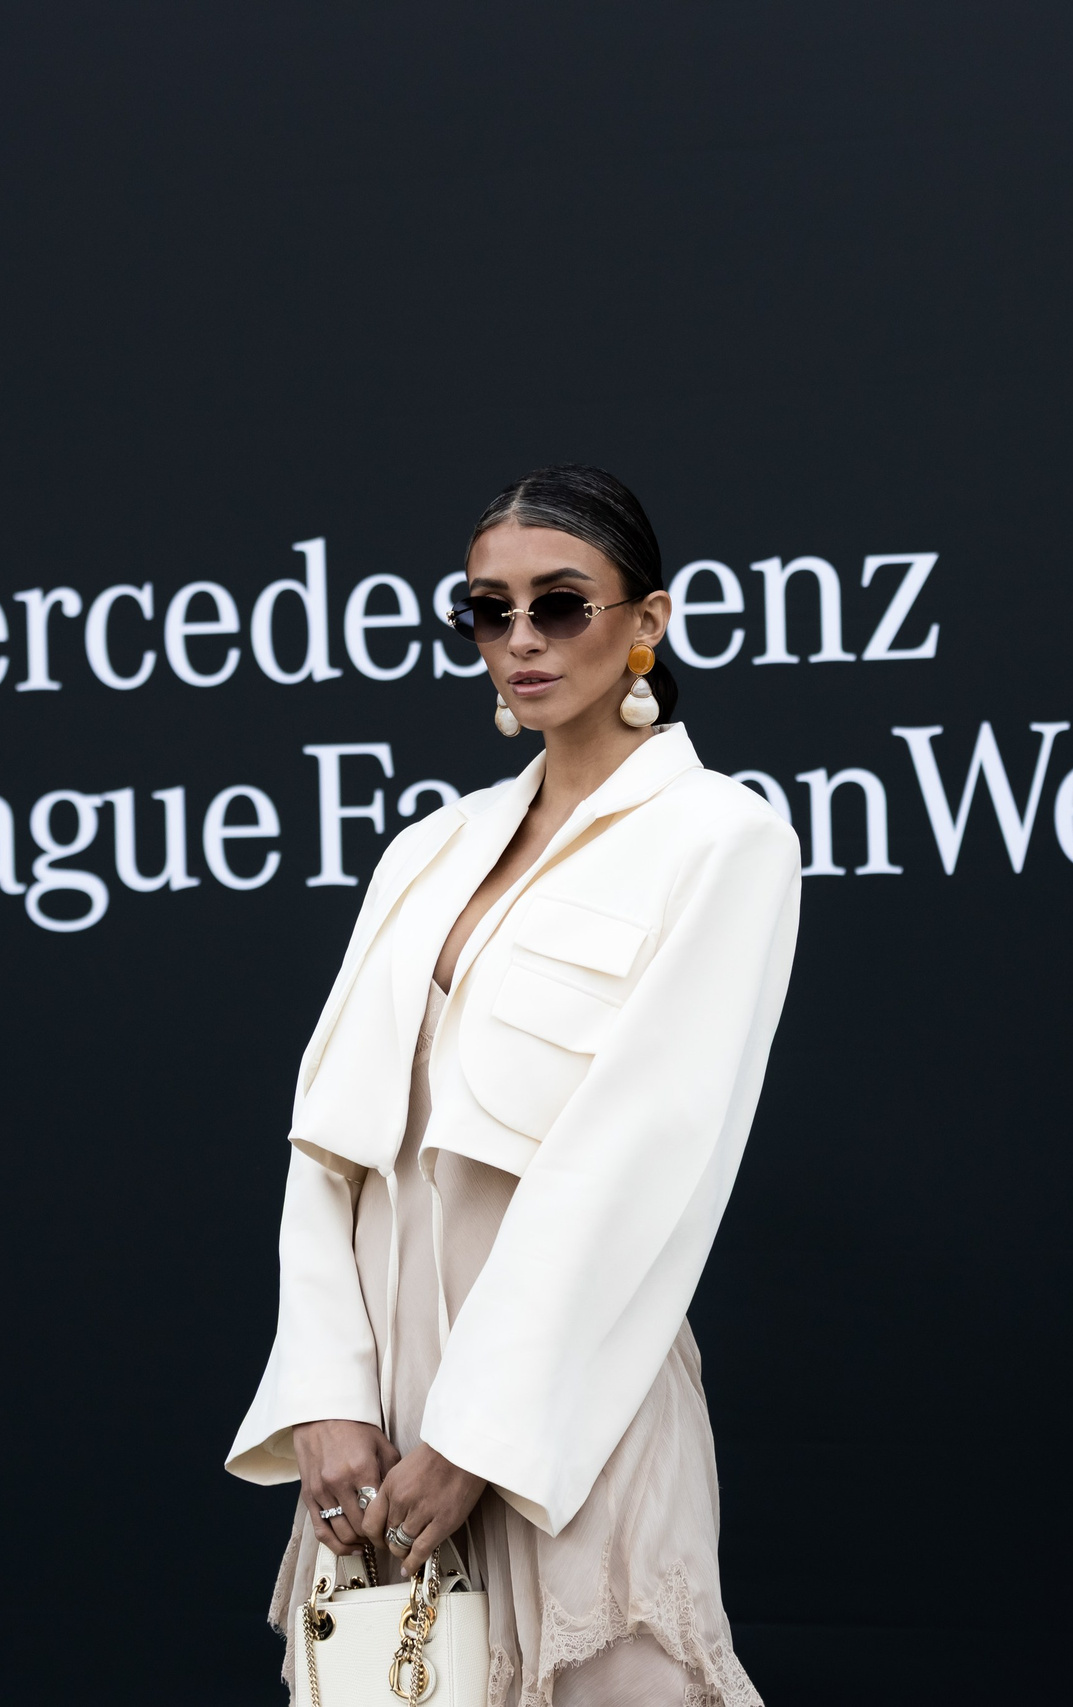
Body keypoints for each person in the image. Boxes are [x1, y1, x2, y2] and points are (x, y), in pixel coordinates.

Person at [226, 466, 801, 1705]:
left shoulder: (722, 839)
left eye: (561, 604)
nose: (522, 639)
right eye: (491, 611)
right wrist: (327, 1399)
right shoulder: (422, 851)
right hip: (378, 1423)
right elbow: (323, 1147)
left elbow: (640, 1160)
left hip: (573, 1396)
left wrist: (479, 1439)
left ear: (646, 621)